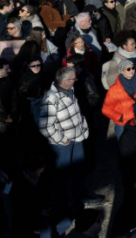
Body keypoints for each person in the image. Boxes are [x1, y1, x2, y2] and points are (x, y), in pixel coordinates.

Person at [37, 65, 93, 211]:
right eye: (74, 78)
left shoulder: (70, 90)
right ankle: (67, 206)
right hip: (63, 144)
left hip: (77, 138)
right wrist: (62, 139)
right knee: (64, 177)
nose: (76, 80)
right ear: (66, 81)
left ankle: (81, 197)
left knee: (79, 170)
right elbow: (45, 126)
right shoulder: (51, 98)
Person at [102, 58, 136, 139]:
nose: (132, 70)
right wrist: (121, 117)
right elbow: (106, 110)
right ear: (122, 71)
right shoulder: (114, 90)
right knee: (125, 144)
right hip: (123, 124)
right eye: (128, 69)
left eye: (133, 68)